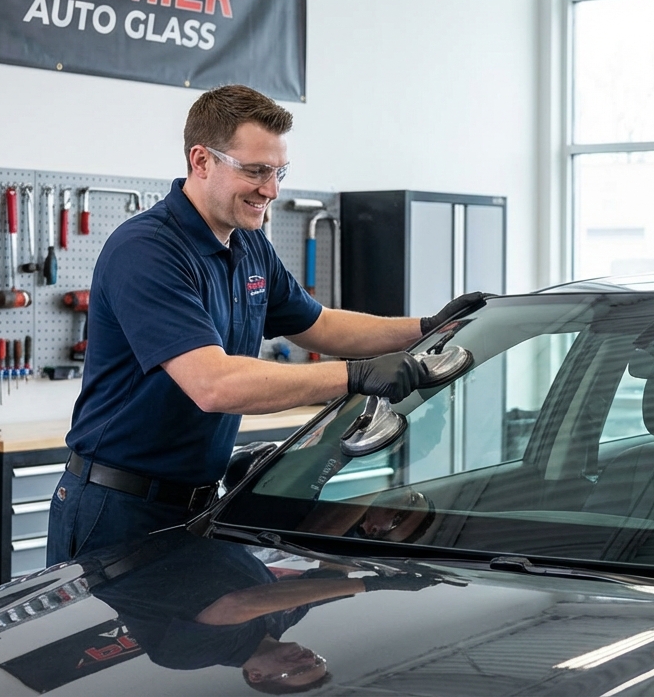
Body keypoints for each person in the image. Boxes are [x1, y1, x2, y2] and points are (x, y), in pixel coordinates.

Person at [48, 84, 488, 565]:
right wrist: (354, 375)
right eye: (256, 171)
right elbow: (213, 385)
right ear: (201, 161)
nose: (272, 190)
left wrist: (425, 327)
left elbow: (319, 325)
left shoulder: (249, 244)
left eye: (279, 172)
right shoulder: (149, 251)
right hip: (116, 507)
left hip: (199, 502)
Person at [85, 531, 440, 693]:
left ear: (255, 676)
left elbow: (236, 604)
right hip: (186, 521)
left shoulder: (191, 656)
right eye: (315, 660)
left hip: (120, 538)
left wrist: (369, 585)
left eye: (297, 671)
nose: (305, 658)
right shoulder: (285, 617)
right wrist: (360, 531)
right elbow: (334, 566)